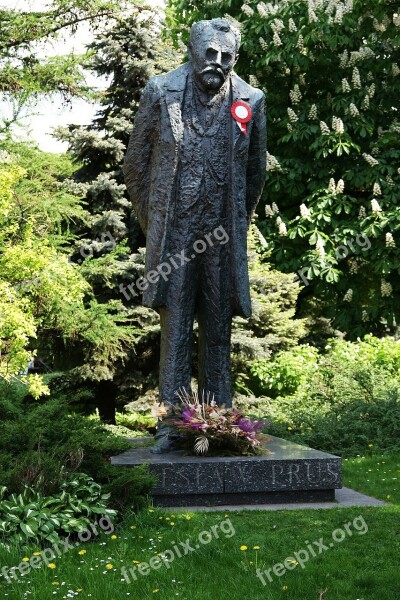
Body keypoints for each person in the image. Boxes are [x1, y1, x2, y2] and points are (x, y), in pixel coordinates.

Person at [123, 18, 267, 452]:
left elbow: (255, 174)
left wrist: (236, 220)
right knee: (177, 326)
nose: (216, 63)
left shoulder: (252, 100)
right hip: (177, 235)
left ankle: (221, 425)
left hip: (222, 237)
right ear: (192, 49)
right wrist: (158, 225)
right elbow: (136, 165)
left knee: (218, 330)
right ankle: (171, 423)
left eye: (226, 56)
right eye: (209, 53)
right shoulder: (160, 91)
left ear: (235, 58)